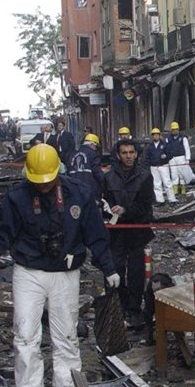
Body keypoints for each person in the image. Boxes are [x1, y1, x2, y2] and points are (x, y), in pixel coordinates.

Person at [0, 144, 119, 387]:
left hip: (65, 273)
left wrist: (109, 268)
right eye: (39, 182)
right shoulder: (17, 197)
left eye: (48, 182)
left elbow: (95, 234)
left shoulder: (79, 194)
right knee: (25, 330)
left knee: (66, 331)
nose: (44, 186)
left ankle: (67, 385)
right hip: (29, 271)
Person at [102, 140, 154, 324]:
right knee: (115, 268)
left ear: (136, 154)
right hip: (116, 233)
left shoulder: (145, 176)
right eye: (124, 152)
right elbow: (103, 203)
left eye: (131, 152)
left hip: (137, 231)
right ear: (118, 155)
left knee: (136, 272)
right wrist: (108, 211)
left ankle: (134, 308)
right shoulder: (108, 178)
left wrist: (126, 210)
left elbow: (147, 208)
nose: (129, 156)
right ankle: (118, 306)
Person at [68, 132, 103, 198]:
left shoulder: (72, 155)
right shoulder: (93, 154)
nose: (96, 149)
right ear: (92, 145)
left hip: (74, 192)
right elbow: (98, 173)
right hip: (89, 192)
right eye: (96, 147)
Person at [145, 127, 173, 203]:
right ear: (152, 136)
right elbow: (147, 157)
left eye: (157, 135)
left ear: (159, 135)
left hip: (163, 166)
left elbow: (170, 154)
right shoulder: (149, 146)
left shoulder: (164, 144)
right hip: (154, 167)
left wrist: (166, 157)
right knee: (156, 184)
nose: (156, 136)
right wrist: (149, 165)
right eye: (154, 135)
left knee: (167, 183)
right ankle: (160, 200)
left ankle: (172, 199)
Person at [166, 121, 194, 192]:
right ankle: (175, 191)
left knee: (182, 175)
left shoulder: (183, 137)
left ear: (178, 129)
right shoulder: (168, 139)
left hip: (181, 157)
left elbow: (187, 148)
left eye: (176, 129)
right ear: (171, 130)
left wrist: (187, 159)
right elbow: (166, 149)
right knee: (174, 175)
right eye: (173, 130)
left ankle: (183, 190)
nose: (175, 131)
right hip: (172, 158)